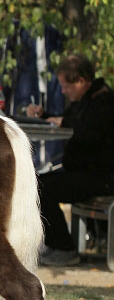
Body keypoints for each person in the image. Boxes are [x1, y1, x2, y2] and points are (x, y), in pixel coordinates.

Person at [26, 54, 114, 266]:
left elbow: (88, 132)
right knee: (36, 182)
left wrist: (62, 120)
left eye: (67, 86)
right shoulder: (85, 99)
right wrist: (45, 115)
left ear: (81, 81)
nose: (64, 91)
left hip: (101, 176)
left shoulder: (104, 101)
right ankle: (57, 244)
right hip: (84, 172)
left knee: (41, 187)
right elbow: (71, 121)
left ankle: (64, 248)